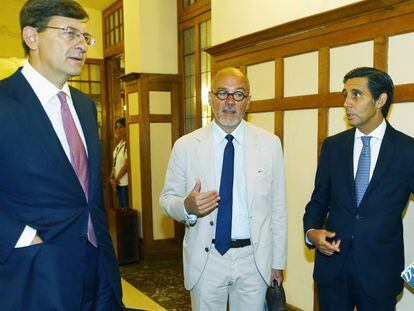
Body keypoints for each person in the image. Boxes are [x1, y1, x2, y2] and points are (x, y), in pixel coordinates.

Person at [0, 0, 123, 309]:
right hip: (34, 268)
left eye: (85, 36)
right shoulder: (3, 102)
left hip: (99, 266)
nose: (82, 45)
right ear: (32, 37)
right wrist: (21, 238)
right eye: (70, 33)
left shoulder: (85, 105)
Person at [160, 67, 287, 310]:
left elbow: (278, 209)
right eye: (222, 93)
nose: (230, 102)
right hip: (206, 259)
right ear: (210, 98)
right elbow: (166, 200)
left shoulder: (270, 144)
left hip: (254, 260)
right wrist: (186, 206)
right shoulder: (186, 146)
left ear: (248, 101)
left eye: (238, 94)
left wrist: (277, 263)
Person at [303, 67, 414, 310]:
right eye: (345, 95)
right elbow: (318, 201)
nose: (346, 103)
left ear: (380, 100)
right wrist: (312, 232)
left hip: (380, 273)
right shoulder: (333, 146)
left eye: (356, 95)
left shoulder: (408, 150)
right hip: (332, 270)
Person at [110, 117, 129, 209]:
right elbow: (115, 164)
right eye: (116, 128)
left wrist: (116, 179)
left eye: (121, 127)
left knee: (126, 210)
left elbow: (127, 165)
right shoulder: (119, 144)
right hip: (118, 183)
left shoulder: (128, 144)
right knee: (121, 209)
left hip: (125, 183)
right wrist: (112, 178)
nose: (118, 130)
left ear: (127, 128)